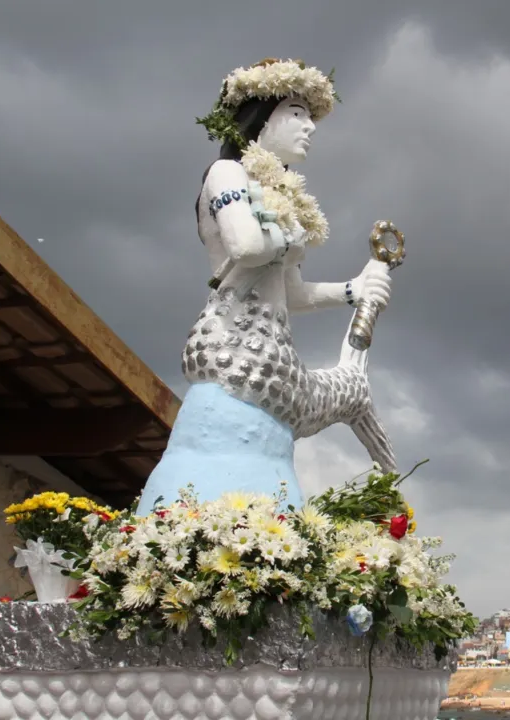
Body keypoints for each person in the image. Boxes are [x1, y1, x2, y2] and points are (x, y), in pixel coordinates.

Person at [137, 59, 394, 513]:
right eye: (296, 112)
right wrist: (289, 235)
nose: (309, 127)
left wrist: (352, 291)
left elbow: (290, 294)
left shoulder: (279, 193)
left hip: (274, 357)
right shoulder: (227, 175)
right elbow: (247, 244)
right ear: (260, 116)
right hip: (233, 349)